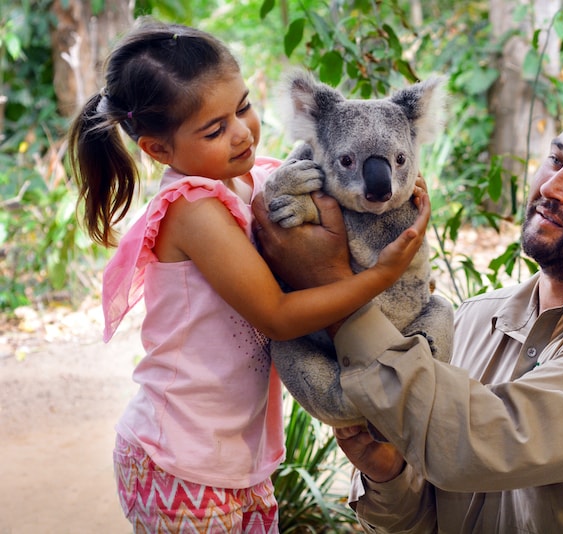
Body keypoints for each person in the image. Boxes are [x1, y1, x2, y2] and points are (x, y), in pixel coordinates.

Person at [254, 85, 563, 532]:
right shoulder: (470, 320)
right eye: (555, 159)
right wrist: (391, 472)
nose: (551, 186)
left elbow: (474, 449)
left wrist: (329, 284)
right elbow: (430, 518)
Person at [67, 18, 429, 533]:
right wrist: (383, 273)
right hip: (181, 459)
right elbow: (277, 317)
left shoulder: (251, 176)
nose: (241, 133)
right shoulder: (192, 208)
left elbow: (334, 179)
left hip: (238, 458)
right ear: (158, 150)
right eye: (214, 129)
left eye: (243, 107)